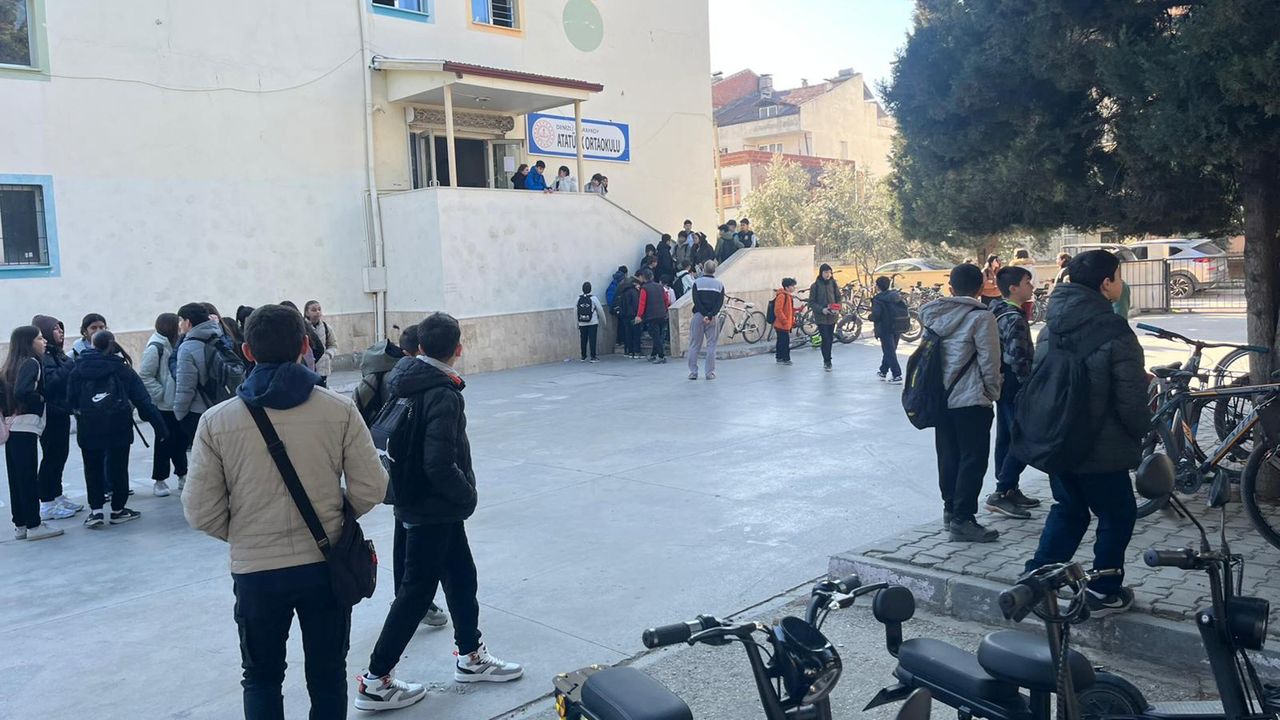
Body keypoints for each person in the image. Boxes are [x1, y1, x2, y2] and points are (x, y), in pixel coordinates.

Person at [183, 304, 388, 719]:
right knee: (328, 674)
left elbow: (201, 511)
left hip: (256, 572)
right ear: (304, 347)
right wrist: (336, 516)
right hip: (325, 565)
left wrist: (246, 534)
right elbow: (372, 486)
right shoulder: (338, 409)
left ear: (246, 351)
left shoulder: (216, 421)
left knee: (261, 677)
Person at [357, 313, 523, 712]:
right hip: (433, 507)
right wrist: (466, 496)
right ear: (458, 349)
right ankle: (376, 680)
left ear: (419, 347)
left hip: (415, 499)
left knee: (462, 578)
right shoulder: (442, 392)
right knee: (416, 593)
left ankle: (471, 655)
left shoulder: (403, 377)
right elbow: (438, 462)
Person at [1023, 250, 1150, 616]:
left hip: (1057, 439)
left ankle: (1035, 581)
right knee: (1118, 513)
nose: (1121, 283)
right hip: (1100, 447)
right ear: (1105, 283)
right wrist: (1141, 431)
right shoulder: (1115, 330)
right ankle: (1103, 591)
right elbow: (1130, 399)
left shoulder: (1051, 326)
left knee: (1070, 509)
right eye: (1118, 276)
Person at [918, 263, 1002, 543]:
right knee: (973, 460)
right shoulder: (982, 317)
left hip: (941, 400)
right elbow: (990, 360)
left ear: (950, 288)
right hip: (971, 399)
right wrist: (993, 392)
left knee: (948, 456)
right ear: (980, 288)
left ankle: (950, 511)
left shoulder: (934, 315)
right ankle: (964, 519)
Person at [383, 324, 450, 630]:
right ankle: (381, 665)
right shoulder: (435, 388)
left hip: (400, 475)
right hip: (425, 491)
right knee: (420, 571)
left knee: (408, 544)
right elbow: (438, 460)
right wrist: (465, 494)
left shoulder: (396, 378)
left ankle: (469, 645)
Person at [68, 330, 167, 528]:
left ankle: (96, 511)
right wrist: (160, 427)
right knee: (118, 468)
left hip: (89, 427)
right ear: (112, 344)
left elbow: (70, 400)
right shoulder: (122, 368)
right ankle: (118, 510)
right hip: (118, 426)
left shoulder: (78, 369)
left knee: (92, 468)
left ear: (92, 345)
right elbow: (142, 399)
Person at [985, 266, 1040, 519]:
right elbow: (1018, 356)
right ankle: (1002, 491)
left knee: (1006, 436)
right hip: (1015, 385)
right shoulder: (1014, 318)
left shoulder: (996, 310)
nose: (1032, 286)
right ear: (1013, 288)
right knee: (1023, 437)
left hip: (1001, 382)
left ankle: (1009, 489)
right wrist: (1029, 384)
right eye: (1028, 282)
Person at [3, 326, 63, 541]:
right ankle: (34, 525)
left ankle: (21, 524)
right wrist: (40, 399)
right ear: (28, 342)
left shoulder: (9, 365)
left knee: (16, 478)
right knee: (28, 477)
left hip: (11, 427)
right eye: (39, 338)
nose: (44, 341)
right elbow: (22, 391)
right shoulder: (31, 363)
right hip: (26, 426)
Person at [31, 315, 82, 520]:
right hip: (50, 413)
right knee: (51, 456)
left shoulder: (56, 353)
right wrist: (68, 367)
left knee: (61, 455)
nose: (60, 332)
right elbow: (51, 382)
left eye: (61, 328)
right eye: (55, 329)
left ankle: (57, 494)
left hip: (61, 411)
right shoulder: (44, 357)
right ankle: (46, 503)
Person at [140, 313, 187, 496]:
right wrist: (162, 394)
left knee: (180, 440)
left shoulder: (177, 343)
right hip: (163, 406)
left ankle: (183, 474)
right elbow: (146, 375)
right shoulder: (156, 347)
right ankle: (160, 480)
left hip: (178, 402)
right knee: (164, 442)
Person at [174, 302, 225, 442]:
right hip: (223, 405)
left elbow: (185, 387)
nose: (179, 325)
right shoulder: (219, 338)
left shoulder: (187, 348)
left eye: (180, 320)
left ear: (188, 322)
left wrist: (179, 414)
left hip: (199, 411)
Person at [687, 260, 726, 380]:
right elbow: (719, 303)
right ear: (714, 270)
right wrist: (710, 315)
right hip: (712, 318)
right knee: (711, 346)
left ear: (703, 269)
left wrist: (704, 313)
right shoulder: (719, 285)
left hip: (698, 315)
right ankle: (709, 373)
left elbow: (696, 300)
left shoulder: (697, 283)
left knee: (694, 345)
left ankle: (693, 372)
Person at [869, 276, 906, 383]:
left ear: (878, 286)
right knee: (890, 350)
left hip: (885, 328)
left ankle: (897, 375)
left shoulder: (878, 299)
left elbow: (876, 315)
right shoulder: (895, 295)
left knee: (889, 351)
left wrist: (870, 317)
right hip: (897, 326)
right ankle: (883, 371)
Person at [808, 264, 842, 372]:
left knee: (830, 338)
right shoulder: (815, 286)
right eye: (826, 272)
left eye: (830, 272)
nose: (828, 274)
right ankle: (827, 361)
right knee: (825, 338)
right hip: (821, 317)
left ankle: (828, 358)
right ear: (821, 273)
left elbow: (839, 298)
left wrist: (837, 307)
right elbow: (811, 302)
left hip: (832, 316)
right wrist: (821, 309)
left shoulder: (833, 283)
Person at [635, 269, 672, 363]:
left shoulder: (644, 288)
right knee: (658, 335)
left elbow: (642, 303)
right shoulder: (660, 287)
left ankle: (661, 356)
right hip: (662, 314)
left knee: (655, 337)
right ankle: (653, 354)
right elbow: (666, 299)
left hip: (651, 315)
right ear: (652, 276)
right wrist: (665, 309)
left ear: (643, 277)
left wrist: (639, 315)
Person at [304, 301, 339, 388]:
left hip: (322, 369)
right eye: (314, 310)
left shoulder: (326, 328)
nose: (317, 312)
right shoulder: (303, 327)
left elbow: (333, 345)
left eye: (319, 309)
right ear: (306, 312)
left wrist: (328, 355)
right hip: (307, 369)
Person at [576, 281, 606, 363]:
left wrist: (577, 323)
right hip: (593, 322)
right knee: (592, 339)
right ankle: (593, 357)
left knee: (583, 339)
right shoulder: (594, 298)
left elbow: (575, 311)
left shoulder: (578, 299)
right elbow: (600, 310)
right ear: (590, 289)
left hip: (582, 322)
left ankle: (583, 356)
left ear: (582, 289)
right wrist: (604, 321)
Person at [772, 278, 797, 365]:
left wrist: (792, 321)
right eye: (792, 286)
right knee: (785, 342)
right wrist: (785, 321)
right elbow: (778, 310)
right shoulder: (782, 296)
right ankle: (786, 359)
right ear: (787, 287)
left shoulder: (787, 296)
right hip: (782, 324)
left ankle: (779, 357)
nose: (794, 288)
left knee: (781, 341)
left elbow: (789, 311)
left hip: (784, 323)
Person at [617, 275, 643, 359]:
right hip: (633, 315)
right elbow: (636, 304)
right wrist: (638, 315)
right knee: (636, 333)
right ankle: (637, 352)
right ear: (635, 283)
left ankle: (629, 351)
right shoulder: (634, 292)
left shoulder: (623, 291)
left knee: (628, 334)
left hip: (625, 316)